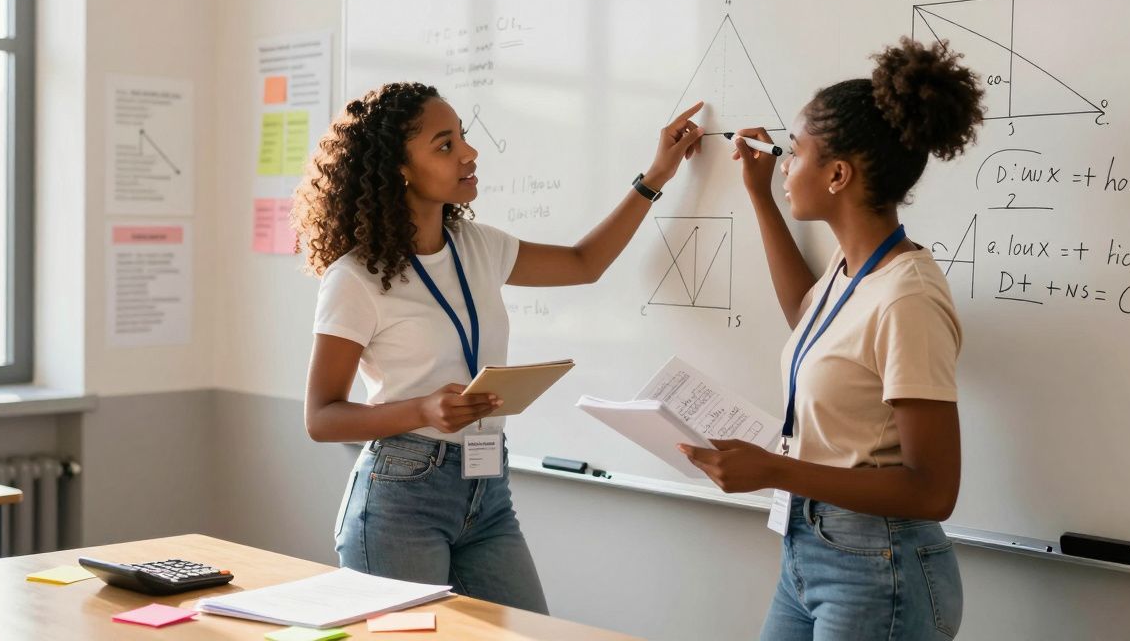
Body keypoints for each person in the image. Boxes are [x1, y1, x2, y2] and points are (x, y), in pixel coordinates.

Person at [292, 81, 704, 613]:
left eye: (462, 136)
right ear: (399, 168)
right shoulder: (356, 278)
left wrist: (656, 177)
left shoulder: (479, 245)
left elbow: (585, 263)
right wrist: (423, 409)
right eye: (445, 145)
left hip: (487, 490)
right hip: (403, 493)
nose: (469, 152)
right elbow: (321, 418)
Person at [679, 37, 985, 640]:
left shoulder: (907, 298)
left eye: (795, 153)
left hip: (881, 568)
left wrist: (776, 470)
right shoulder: (853, 274)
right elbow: (807, 315)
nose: (786, 163)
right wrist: (760, 196)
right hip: (809, 552)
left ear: (839, 174)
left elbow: (933, 489)